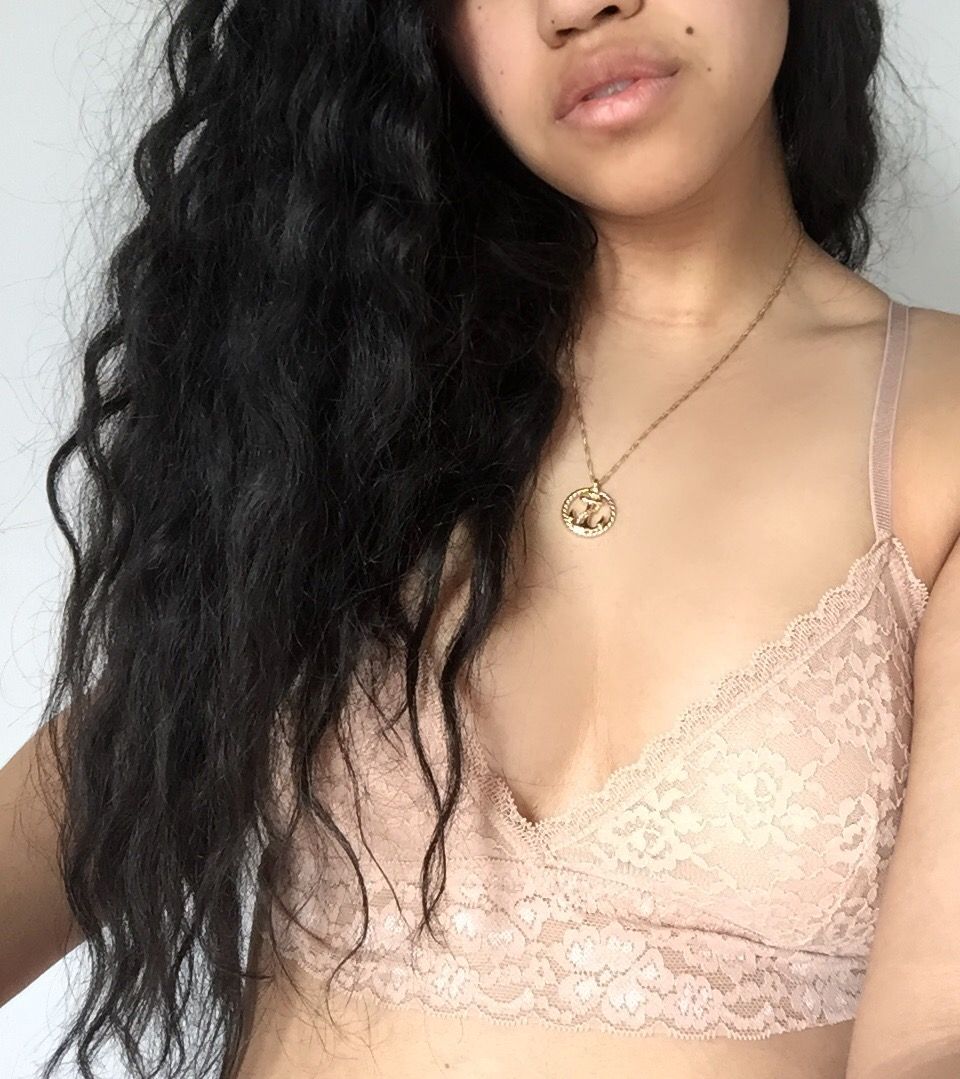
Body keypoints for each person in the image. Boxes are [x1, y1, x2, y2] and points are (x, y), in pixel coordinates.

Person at [2, 1, 960, 1076]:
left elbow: (935, 1037)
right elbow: (113, 780)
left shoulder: (937, 430)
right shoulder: (348, 403)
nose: (576, 7)